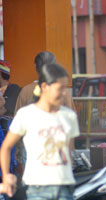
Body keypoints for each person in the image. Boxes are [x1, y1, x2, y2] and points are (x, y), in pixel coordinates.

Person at [0, 63, 80, 199]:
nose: (63, 93)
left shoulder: (68, 117)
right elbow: (6, 147)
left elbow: (69, 150)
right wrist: (7, 175)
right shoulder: (25, 115)